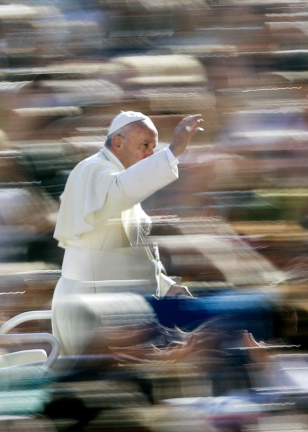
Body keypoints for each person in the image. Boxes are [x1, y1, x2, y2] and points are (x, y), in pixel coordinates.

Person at [51, 110, 204, 355]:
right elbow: (121, 190)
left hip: (119, 304)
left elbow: (127, 254)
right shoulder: (92, 169)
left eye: (154, 147)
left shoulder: (118, 178)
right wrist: (172, 151)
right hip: (90, 306)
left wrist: (165, 286)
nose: (150, 153)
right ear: (118, 143)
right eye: (145, 145)